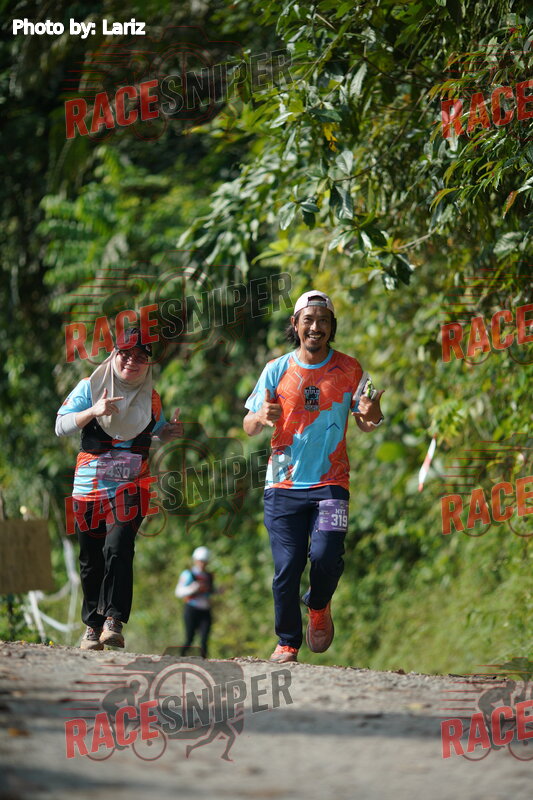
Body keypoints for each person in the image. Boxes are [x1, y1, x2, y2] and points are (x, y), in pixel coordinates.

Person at [243, 291, 384, 663]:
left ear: (332, 327)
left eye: (323, 320)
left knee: (326, 555)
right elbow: (249, 424)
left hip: (331, 483)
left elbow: (367, 421)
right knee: (287, 566)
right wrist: (260, 417)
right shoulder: (276, 369)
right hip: (282, 485)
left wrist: (372, 412)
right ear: (295, 324)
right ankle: (287, 641)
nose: (316, 327)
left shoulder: (351, 369)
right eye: (308, 319)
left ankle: (318, 604)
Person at [56, 327, 182, 651]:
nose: (131, 361)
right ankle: (92, 625)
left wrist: (167, 432)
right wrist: (93, 411)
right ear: (114, 354)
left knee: (118, 545)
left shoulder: (151, 398)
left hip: (132, 484)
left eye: (140, 356)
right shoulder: (89, 387)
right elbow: (61, 425)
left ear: (148, 363)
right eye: (125, 354)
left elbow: (151, 431)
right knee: (90, 559)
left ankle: (113, 620)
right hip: (89, 487)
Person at [175, 546, 217, 658]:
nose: (202, 564)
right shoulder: (188, 574)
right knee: (190, 638)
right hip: (191, 609)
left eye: (204, 561)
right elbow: (178, 592)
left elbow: (210, 590)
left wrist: (217, 591)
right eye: (200, 561)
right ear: (195, 560)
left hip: (205, 610)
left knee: (204, 639)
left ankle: (204, 661)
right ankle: (180, 657)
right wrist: (193, 588)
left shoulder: (209, 576)